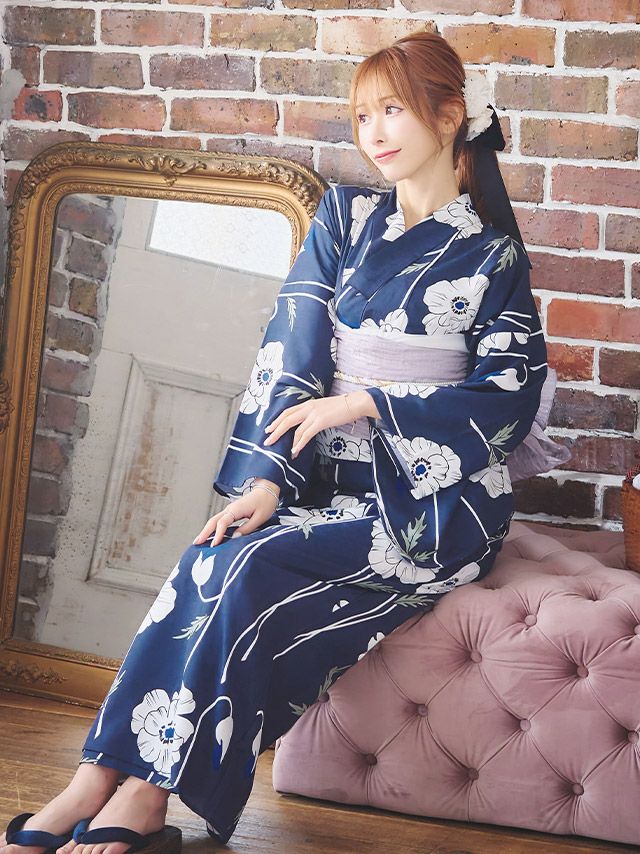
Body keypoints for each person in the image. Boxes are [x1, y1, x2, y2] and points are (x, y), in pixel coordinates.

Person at [2, 30, 557, 854]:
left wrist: (366, 402)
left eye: (393, 110)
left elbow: (505, 397)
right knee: (210, 556)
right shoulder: (345, 217)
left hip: (433, 506)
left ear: (449, 118)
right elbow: (291, 350)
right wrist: (266, 481)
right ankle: (93, 778)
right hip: (323, 486)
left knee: (254, 566)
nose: (373, 133)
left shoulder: (492, 253)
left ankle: (147, 797)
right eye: (362, 115)